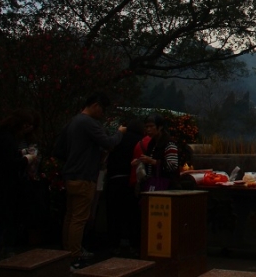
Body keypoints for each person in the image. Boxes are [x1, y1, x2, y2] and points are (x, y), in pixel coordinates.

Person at [61, 93, 126, 266]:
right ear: (96, 105)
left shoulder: (73, 122)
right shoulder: (88, 123)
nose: (102, 114)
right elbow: (108, 142)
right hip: (84, 176)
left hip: (71, 174)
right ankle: (73, 255)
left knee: (70, 216)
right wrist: (119, 133)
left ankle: (65, 252)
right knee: (79, 218)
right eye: (102, 109)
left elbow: (59, 148)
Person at [0, 110, 39, 260]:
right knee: (3, 221)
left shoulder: (3, 137)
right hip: (5, 187)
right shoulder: (7, 139)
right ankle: (2, 251)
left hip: (4, 186)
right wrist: (27, 159)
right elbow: (8, 163)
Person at [105, 118, 144, 254]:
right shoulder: (141, 140)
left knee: (114, 214)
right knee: (132, 214)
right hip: (130, 180)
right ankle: (133, 243)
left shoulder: (118, 138)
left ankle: (113, 244)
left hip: (113, 178)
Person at [132, 115, 179, 192]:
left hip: (167, 186)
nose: (148, 129)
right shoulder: (152, 143)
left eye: (151, 126)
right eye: (146, 127)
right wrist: (140, 161)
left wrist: (153, 161)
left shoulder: (169, 143)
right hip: (153, 184)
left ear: (160, 127)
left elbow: (173, 165)